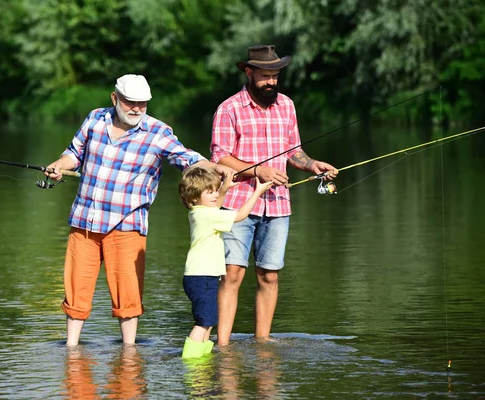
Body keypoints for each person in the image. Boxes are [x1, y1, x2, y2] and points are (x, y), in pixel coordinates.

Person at [46, 74, 234, 346]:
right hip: (84, 221)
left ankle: (129, 352)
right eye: (130, 102)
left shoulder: (157, 132)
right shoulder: (95, 119)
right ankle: (71, 350)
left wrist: (215, 167)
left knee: (128, 296)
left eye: (142, 103)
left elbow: (188, 159)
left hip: (127, 225)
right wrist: (60, 166)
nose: (136, 108)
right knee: (76, 292)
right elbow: (74, 154)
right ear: (115, 98)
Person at [210, 45, 338, 346]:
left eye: (276, 76)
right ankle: (224, 346)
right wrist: (258, 171)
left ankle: (262, 344)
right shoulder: (229, 108)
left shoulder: (287, 106)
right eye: (266, 76)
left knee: (269, 276)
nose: (272, 82)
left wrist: (312, 165)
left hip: (278, 206)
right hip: (236, 203)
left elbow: (294, 151)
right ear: (249, 72)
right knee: (232, 274)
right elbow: (220, 158)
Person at [178, 167, 273, 358]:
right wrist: (257, 192)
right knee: (203, 321)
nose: (215, 195)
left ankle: (201, 359)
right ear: (194, 197)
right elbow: (240, 216)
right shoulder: (209, 215)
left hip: (200, 276)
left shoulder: (199, 212)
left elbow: (214, 206)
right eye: (210, 192)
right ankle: (190, 361)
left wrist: (224, 189)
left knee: (208, 320)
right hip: (202, 277)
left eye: (215, 191)